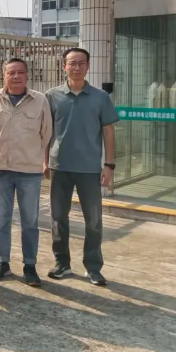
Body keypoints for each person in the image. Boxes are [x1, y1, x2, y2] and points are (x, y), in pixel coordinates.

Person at [44, 47, 118, 287]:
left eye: (81, 63)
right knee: (58, 217)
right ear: (63, 66)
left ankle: (93, 268)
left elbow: (108, 131)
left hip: (90, 169)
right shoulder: (51, 96)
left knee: (93, 220)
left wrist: (109, 165)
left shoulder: (100, 97)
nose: (76, 67)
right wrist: (45, 161)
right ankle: (62, 263)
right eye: (72, 63)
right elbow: (46, 132)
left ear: (88, 66)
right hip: (59, 167)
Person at [0, 58, 52, 287]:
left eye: (20, 72)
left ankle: (29, 265)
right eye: (11, 73)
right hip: (0, 169)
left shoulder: (40, 100)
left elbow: (46, 134)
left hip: (29, 171)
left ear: (27, 75)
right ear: (3, 75)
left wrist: (41, 161)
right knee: (0, 220)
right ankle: (2, 262)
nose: (16, 76)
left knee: (30, 221)